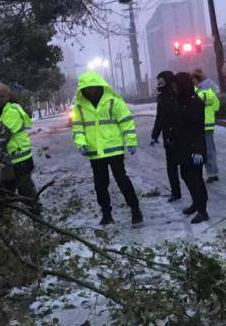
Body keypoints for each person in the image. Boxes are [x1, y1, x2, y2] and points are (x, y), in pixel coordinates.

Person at [71, 71, 142, 226]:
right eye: (87, 88)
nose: (90, 90)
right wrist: (81, 143)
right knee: (100, 185)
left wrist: (130, 140)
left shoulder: (112, 100)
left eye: (93, 87)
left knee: (122, 180)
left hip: (113, 148)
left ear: (98, 85)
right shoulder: (80, 106)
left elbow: (126, 121)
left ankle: (135, 210)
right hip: (95, 151)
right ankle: (106, 214)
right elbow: (77, 127)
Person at [0, 83, 38, 211]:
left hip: (20, 160)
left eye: (2, 96)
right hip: (4, 162)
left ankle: (37, 217)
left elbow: (2, 135)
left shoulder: (12, 111)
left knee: (26, 192)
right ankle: (6, 222)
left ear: (8, 96)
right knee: (4, 195)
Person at [168, 72, 210, 223]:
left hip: (193, 149)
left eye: (176, 85)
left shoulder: (195, 103)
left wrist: (198, 150)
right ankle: (195, 203)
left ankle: (202, 210)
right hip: (182, 147)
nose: (174, 88)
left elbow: (198, 129)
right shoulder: (180, 101)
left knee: (196, 179)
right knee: (185, 175)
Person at [150, 70, 182, 202]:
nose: (159, 84)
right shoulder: (162, 97)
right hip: (168, 137)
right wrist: (155, 134)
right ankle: (175, 192)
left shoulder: (178, 95)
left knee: (185, 168)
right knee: (171, 166)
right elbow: (160, 118)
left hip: (180, 136)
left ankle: (195, 197)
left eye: (161, 82)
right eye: (158, 82)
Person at [192, 68, 220, 183]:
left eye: (193, 78)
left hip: (203, 124)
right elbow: (217, 105)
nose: (191, 81)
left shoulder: (200, 92)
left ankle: (212, 173)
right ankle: (212, 172)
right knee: (209, 149)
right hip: (207, 124)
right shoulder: (207, 90)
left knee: (207, 150)